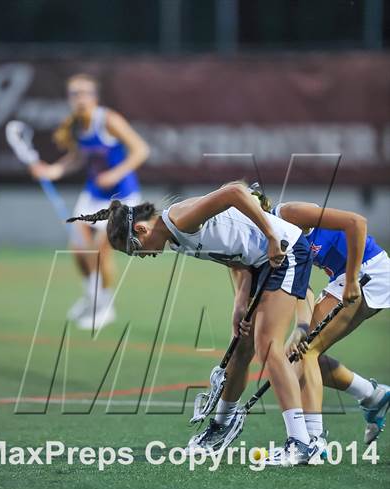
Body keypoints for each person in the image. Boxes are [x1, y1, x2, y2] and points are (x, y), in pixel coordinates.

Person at [67, 180, 324, 466]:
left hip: (285, 252)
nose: (142, 256)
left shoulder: (181, 219)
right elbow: (234, 255)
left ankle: (301, 443)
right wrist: (240, 303)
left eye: (134, 250)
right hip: (259, 263)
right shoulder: (175, 240)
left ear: (141, 229)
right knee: (241, 348)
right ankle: (221, 427)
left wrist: (271, 235)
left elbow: (235, 191)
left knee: (268, 346)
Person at [196, 191, 390, 463]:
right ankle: (372, 395)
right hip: (346, 277)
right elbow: (302, 290)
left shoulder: (288, 216)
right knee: (297, 352)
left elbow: (357, 222)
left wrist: (351, 281)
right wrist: (300, 326)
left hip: (369, 273)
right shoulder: (258, 245)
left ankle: (312, 442)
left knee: (305, 352)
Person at [30, 73, 149, 329]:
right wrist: (51, 171)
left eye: (85, 93)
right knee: (77, 250)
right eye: (74, 93)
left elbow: (141, 150)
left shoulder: (108, 120)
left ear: (94, 97)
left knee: (98, 250)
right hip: (93, 195)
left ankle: (105, 307)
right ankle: (92, 298)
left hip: (122, 196)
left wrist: (115, 174)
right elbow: (76, 158)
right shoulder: (73, 125)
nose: (80, 98)